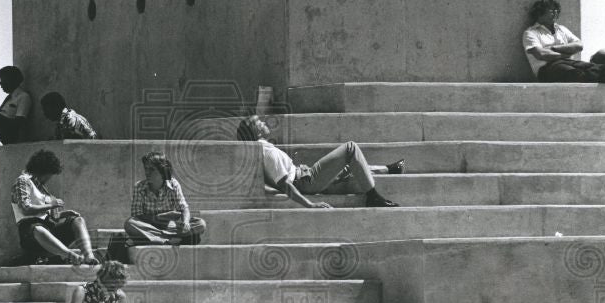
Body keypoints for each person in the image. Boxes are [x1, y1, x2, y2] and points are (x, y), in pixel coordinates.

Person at [236, 115, 402, 208]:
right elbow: (284, 184)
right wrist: (310, 205)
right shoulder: (266, 150)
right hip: (307, 181)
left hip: (305, 176)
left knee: (349, 168)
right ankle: (373, 197)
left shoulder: (260, 149)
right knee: (350, 148)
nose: (264, 122)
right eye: (259, 122)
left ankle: (390, 169)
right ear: (255, 131)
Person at [11, 149, 99, 266]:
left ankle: (89, 256)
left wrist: (63, 214)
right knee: (37, 228)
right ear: (42, 171)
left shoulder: (41, 187)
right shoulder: (23, 181)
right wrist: (51, 205)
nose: (49, 178)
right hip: (30, 233)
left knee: (78, 220)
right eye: (49, 175)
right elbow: (25, 209)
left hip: (49, 228)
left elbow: (48, 215)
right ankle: (69, 255)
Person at [522, 0, 605, 83]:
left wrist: (552, 48)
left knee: (591, 67)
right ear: (540, 13)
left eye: (556, 11)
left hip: (569, 62)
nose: (555, 13)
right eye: (551, 11)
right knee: (574, 73)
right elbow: (540, 54)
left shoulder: (562, 29)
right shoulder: (531, 33)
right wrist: (566, 53)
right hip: (547, 69)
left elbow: (579, 45)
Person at [124, 152, 207, 245]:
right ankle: (169, 240)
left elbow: (184, 208)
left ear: (162, 171)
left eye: (152, 169)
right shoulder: (139, 187)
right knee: (130, 223)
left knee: (200, 224)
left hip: (170, 227)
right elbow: (137, 216)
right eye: (146, 169)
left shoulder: (173, 184)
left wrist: (186, 222)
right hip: (148, 226)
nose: (147, 172)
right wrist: (161, 217)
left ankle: (155, 239)